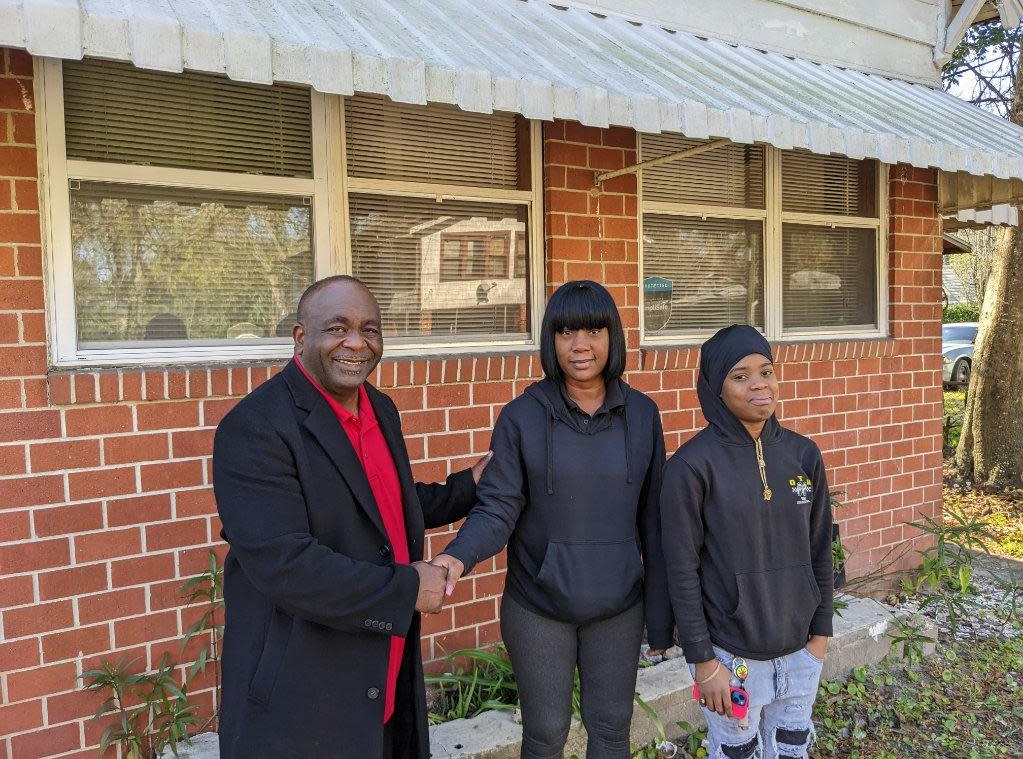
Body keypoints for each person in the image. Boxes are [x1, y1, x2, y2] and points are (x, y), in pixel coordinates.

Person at [213, 275, 491, 759]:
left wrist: (468, 486)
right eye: (337, 328)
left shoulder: (379, 409)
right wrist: (408, 589)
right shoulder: (254, 428)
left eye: (371, 329)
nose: (357, 343)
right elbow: (286, 566)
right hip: (302, 701)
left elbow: (383, 507)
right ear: (301, 338)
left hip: (380, 681)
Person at [432, 280, 675, 759]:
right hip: (538, 608)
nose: (579, 345)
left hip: (618, 605)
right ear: (551, 340)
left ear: (613, 336)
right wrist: (456, 558)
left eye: (592, 331)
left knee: (611, 729)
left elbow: (655, 521)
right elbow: (498, 504)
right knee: (544, 733)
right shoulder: (522, 417)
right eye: (565, 332)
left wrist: (663, 619)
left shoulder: (643, 415)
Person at [660, 325, 833, 759]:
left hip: (800, 651)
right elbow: (681, 569)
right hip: (730, 659)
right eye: (740, 376)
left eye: (766, 371)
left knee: (793, 749)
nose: (759, 384)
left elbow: (820, 548)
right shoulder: (691, 467)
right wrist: (703, 662)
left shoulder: (803, 455)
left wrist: (820, 638)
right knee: (739, 752)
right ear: (716, 389)